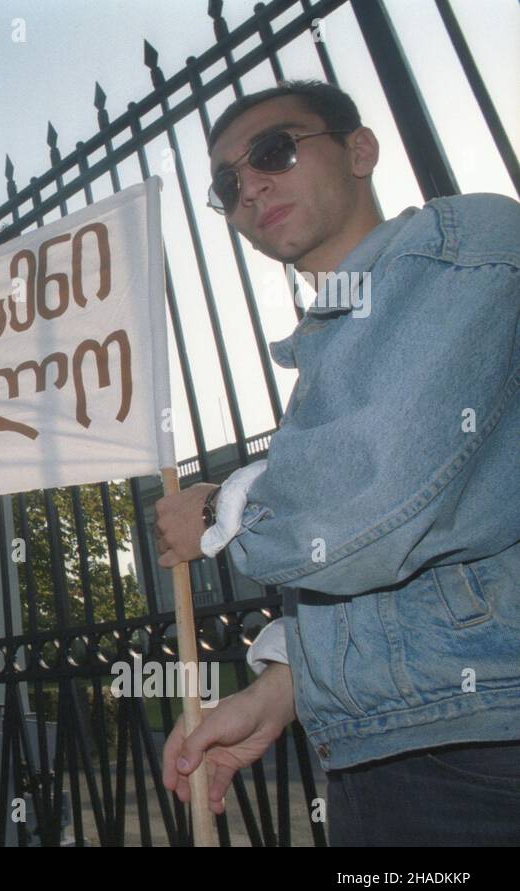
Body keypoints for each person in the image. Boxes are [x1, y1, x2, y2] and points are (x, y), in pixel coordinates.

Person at [155, 80, 520, 845]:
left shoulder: (468, 245)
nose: (249, 185)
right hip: (382, 749)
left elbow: (370, 501)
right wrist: (282, 689)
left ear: (360, 149)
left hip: (483, 749)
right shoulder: (332, 356)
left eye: (273, 151)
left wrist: (220, 509)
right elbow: (387, 567)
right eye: (226, 183)